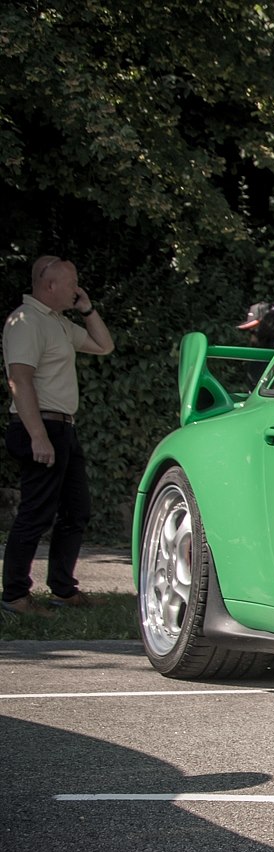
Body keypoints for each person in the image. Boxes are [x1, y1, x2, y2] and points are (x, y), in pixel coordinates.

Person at [2, 256, 115, 615]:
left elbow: (104, 345)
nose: (77, 289)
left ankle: (63, 590)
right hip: (40, 426)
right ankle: (15, 596)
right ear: (49, 285)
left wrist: (88, 309)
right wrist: (38, 436)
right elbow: (19, 380)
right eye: (71, 283)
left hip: (64, 428)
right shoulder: (26, 321)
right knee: (36, 513)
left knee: (76, 511)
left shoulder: (58, 323)